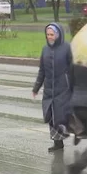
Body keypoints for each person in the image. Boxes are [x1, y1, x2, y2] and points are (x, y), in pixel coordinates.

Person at [32, 23, 73, 153]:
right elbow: (42, 71)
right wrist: (36, 88)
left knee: (60, 115)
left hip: (63, 88)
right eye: (48, 34)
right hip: (49, 89)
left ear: (58, 34)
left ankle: (71, 133)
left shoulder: (66, 48)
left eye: (52, 34)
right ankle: (57, 143)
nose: (50, 37)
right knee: (51, 116)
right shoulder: (45, 49)